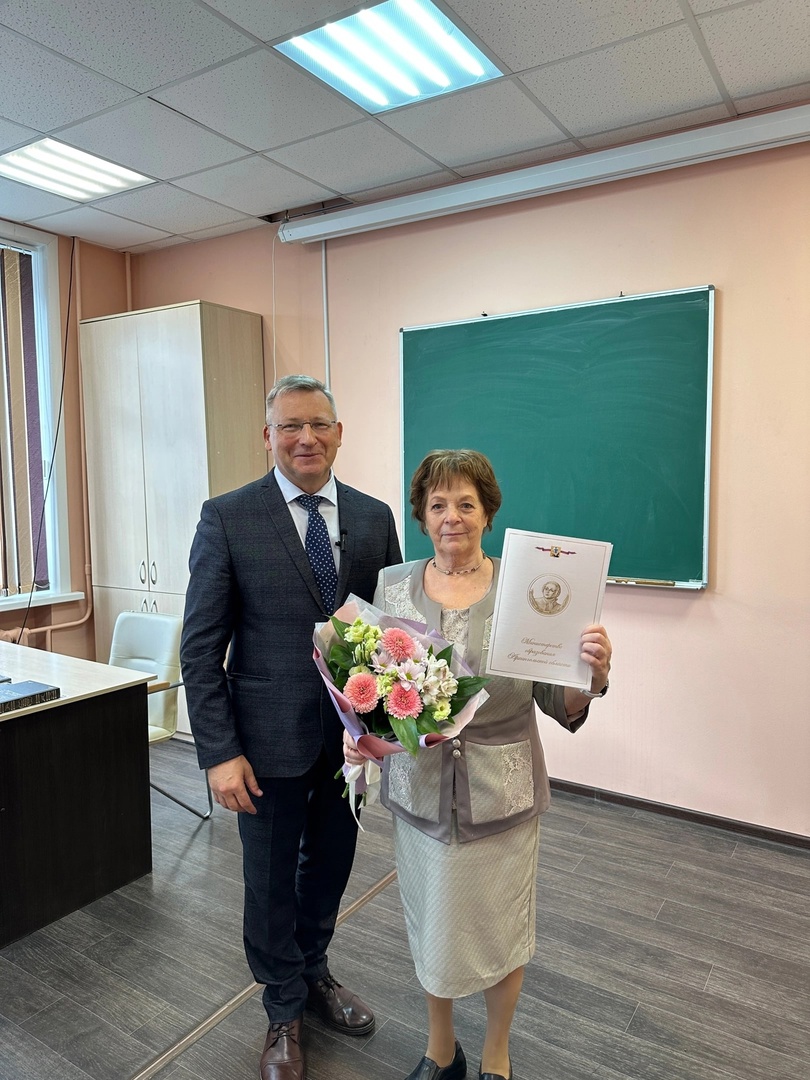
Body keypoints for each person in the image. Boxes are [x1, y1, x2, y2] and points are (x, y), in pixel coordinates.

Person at [344, 450, 611, 1080]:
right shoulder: (392, 586)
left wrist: (591, 678)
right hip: (420, 794)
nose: (452, 517)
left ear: (488, 514)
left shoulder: (528, 590)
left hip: (502, 796)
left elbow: (557, 701)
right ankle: (442, 1051)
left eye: (466, 504)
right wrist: (361, 736)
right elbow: (374, 690)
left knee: (500, 928)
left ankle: (496, 1053)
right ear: (421, 516)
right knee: (431, 922)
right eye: (437, 505)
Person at [181, 374, 402, 1080]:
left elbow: (391, 633)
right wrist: (220, 752)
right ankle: (281, 1006)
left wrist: (389, 726)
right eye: (290, 426)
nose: (306, 438)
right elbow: (200, 647)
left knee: (330, 866)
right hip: (264, 742)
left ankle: (313, 971)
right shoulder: (228, 517)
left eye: (318, 424)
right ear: (268, 436)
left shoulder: (373, 517)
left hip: (349, 742)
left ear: (339, 433)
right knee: (271, 879)